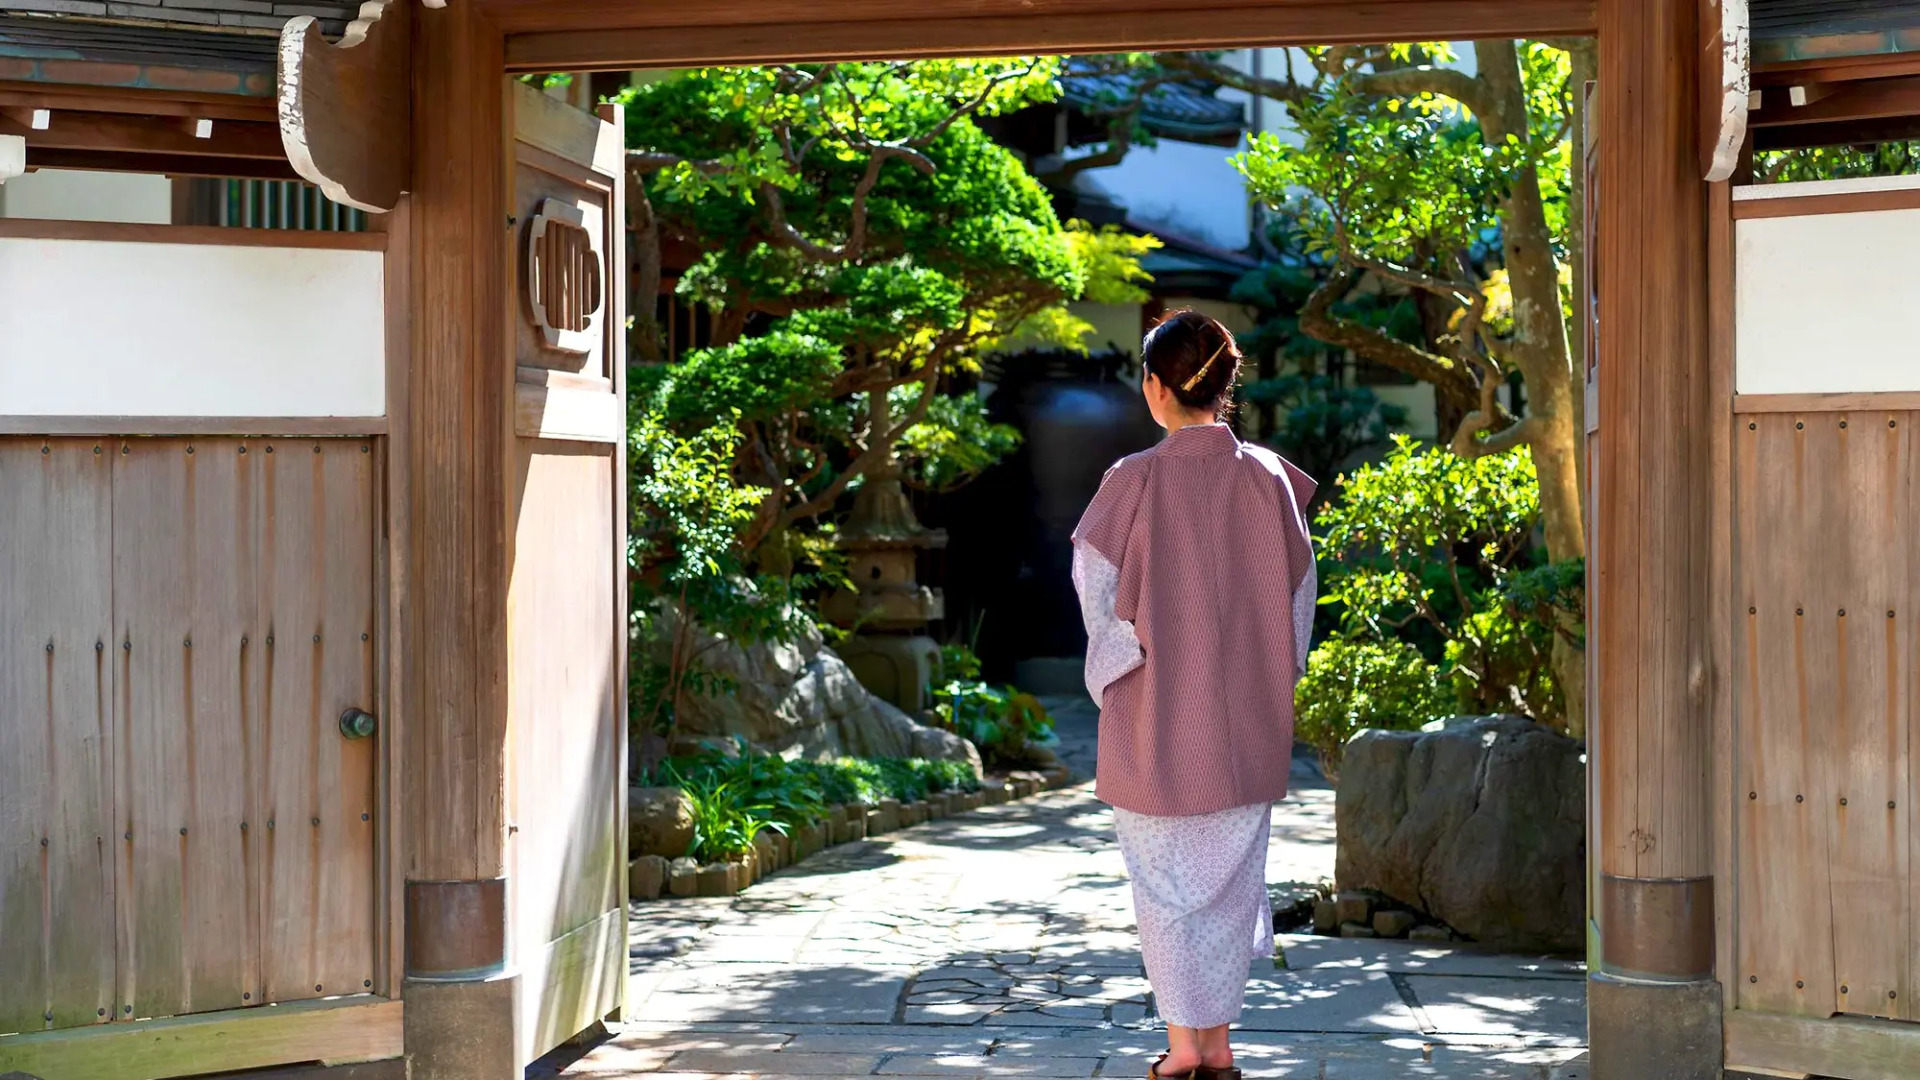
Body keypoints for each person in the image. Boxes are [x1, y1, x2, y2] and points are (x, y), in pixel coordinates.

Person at [1070, 310, 1317, 1080]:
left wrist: (1119, 663)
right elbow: (1297, 599)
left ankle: (1185, 1051)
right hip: (1244, 719)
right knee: (1230, 885)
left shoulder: (1131, 481)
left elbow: (1095, 589)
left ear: (1154, 386)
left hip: (1151, 718)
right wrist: (1274, 675)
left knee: (1165, 892)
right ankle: (1218, 1046)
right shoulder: (1269, 478)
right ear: (1224, 385)